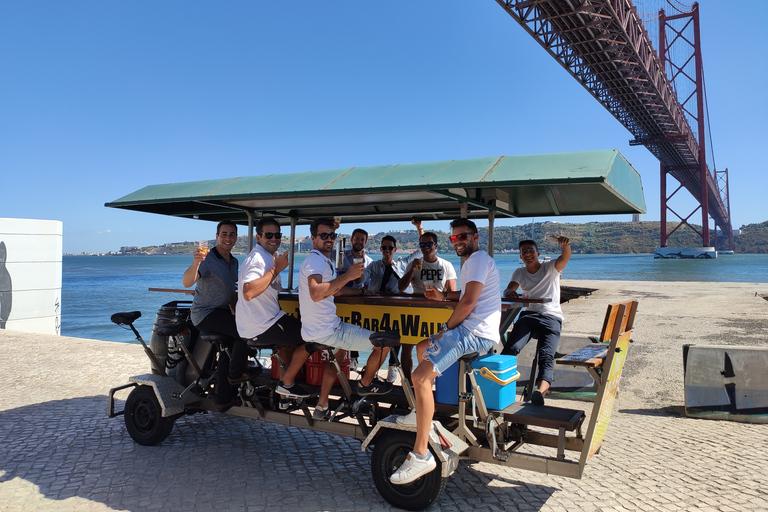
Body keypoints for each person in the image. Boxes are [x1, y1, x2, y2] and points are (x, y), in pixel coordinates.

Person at [390, 218, 501, 485]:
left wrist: (443, 329)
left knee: (419, 377)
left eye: (462, 236)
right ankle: (422, 410)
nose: (458, 241)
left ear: (475, 237)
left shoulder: (475, 260)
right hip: (475, 329)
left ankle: (420, 455)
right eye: (454, 238)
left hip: (473, 332)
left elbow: (469, 303)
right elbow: (465, 296)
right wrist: (443, 298)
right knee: (420, 347)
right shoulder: (475, 261)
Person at [298, 217, 397, 420]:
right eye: (323, 235)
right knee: (386, 342)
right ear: (313, 238)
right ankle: (365, 385)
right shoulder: (316, 261)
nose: (329, 239)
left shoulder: (321, 260)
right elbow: (317, 293)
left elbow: (333, 290)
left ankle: (322, 406)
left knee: (339, 357)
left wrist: (358, 292)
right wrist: (349, 276)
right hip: (329, 331)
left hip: (316, 330)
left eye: (332, 235)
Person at [235, 217, 311, 401]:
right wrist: (276, 270)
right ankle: (287, 383)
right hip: (263, 325)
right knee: (315, 334)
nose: (274, 238)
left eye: (277, 235)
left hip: (259, 323)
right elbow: (248, 292)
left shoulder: (267, 257)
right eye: (268, 235)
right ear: (258, 237)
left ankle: (286, 393)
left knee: (295, 333)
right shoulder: (257, 259)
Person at [501, 235, 571, 406]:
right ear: (520, 257)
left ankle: (540, 392)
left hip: (551, 315)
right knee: (511, 348)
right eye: (524, 252)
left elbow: (565, 258)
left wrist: (566, 245)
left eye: (530, 251)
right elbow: (510, 289)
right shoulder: (519, 272)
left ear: (538, 253)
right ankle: (500, 385)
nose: (527, 254)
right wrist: (508, 292)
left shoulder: (550, 268)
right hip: (529, 314)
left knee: (546, 356)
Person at [183, 220, 244, 409]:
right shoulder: (207, 259)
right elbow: (187, 282)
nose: (228, 238)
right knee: (244, 330)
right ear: (217, 237)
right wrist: (195, 263)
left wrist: (238, 311)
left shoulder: (234, 262)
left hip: (222, 312)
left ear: (236, 238)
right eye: (224, 234)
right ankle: (236, 375)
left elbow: (231, 293)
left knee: (229, 346)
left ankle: (224, 397)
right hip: (205, 314)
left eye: (232, 234)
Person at [360, 220, 423, 381]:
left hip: (397, 307)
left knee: (397, 339)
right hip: (377, 308)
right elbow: (360, 280)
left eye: (389, 248)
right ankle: (370, 370)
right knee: (375, 338)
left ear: (394, 249)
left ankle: (392, 368)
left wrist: (419, 228)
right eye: (384, 248)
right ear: (380, 249)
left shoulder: (402, 264)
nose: (386, 251)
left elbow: (421, 251)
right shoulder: (373, 266)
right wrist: (357, 273)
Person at [396, 231, 458, 379]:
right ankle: (408, 383)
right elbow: (401, 287)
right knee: (407, 348)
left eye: (429, 244)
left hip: (438, 312)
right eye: (422, 244)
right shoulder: (414, 264)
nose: (425, 247)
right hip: (416, 311)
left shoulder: (446, 265)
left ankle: (430, 380)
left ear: (435, 246)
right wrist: (411, 269)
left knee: (437, 348)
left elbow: (452, 292)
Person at [336, 228, 374, 372]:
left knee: (355, 327)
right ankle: (340, 360)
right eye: (356, 238)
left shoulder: (369, 261)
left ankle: (354, 358)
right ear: (351, 240)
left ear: (366, 242)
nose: (359, 241)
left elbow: (367, 284)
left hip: (357, 299)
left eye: (362, 239)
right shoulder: (340, 257)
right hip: (339, 298)